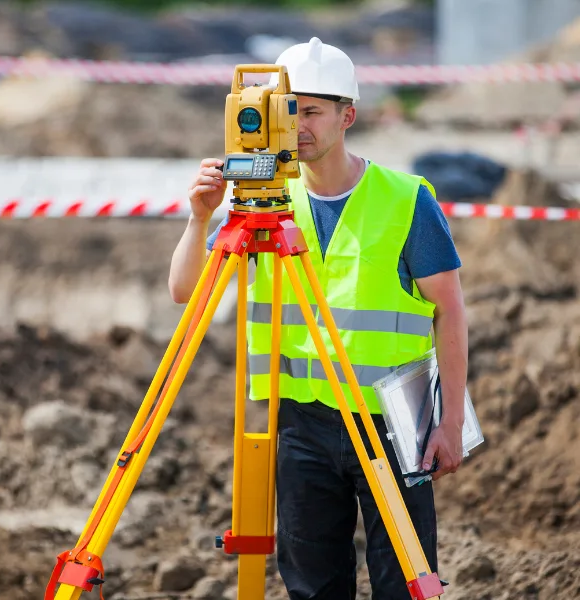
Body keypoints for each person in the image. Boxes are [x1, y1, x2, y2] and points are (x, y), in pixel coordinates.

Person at [168, 37, 468, 600]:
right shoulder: (263, 204)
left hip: (391, 423)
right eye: (288, 111)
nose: (296, 126)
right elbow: (185, 290)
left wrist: (448, 422)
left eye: (311, 112)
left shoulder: (405, 200)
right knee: (311, 588)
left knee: (402, 584)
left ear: (346, 115)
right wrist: (198, 218)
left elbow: (449, 311)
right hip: (300, 424)